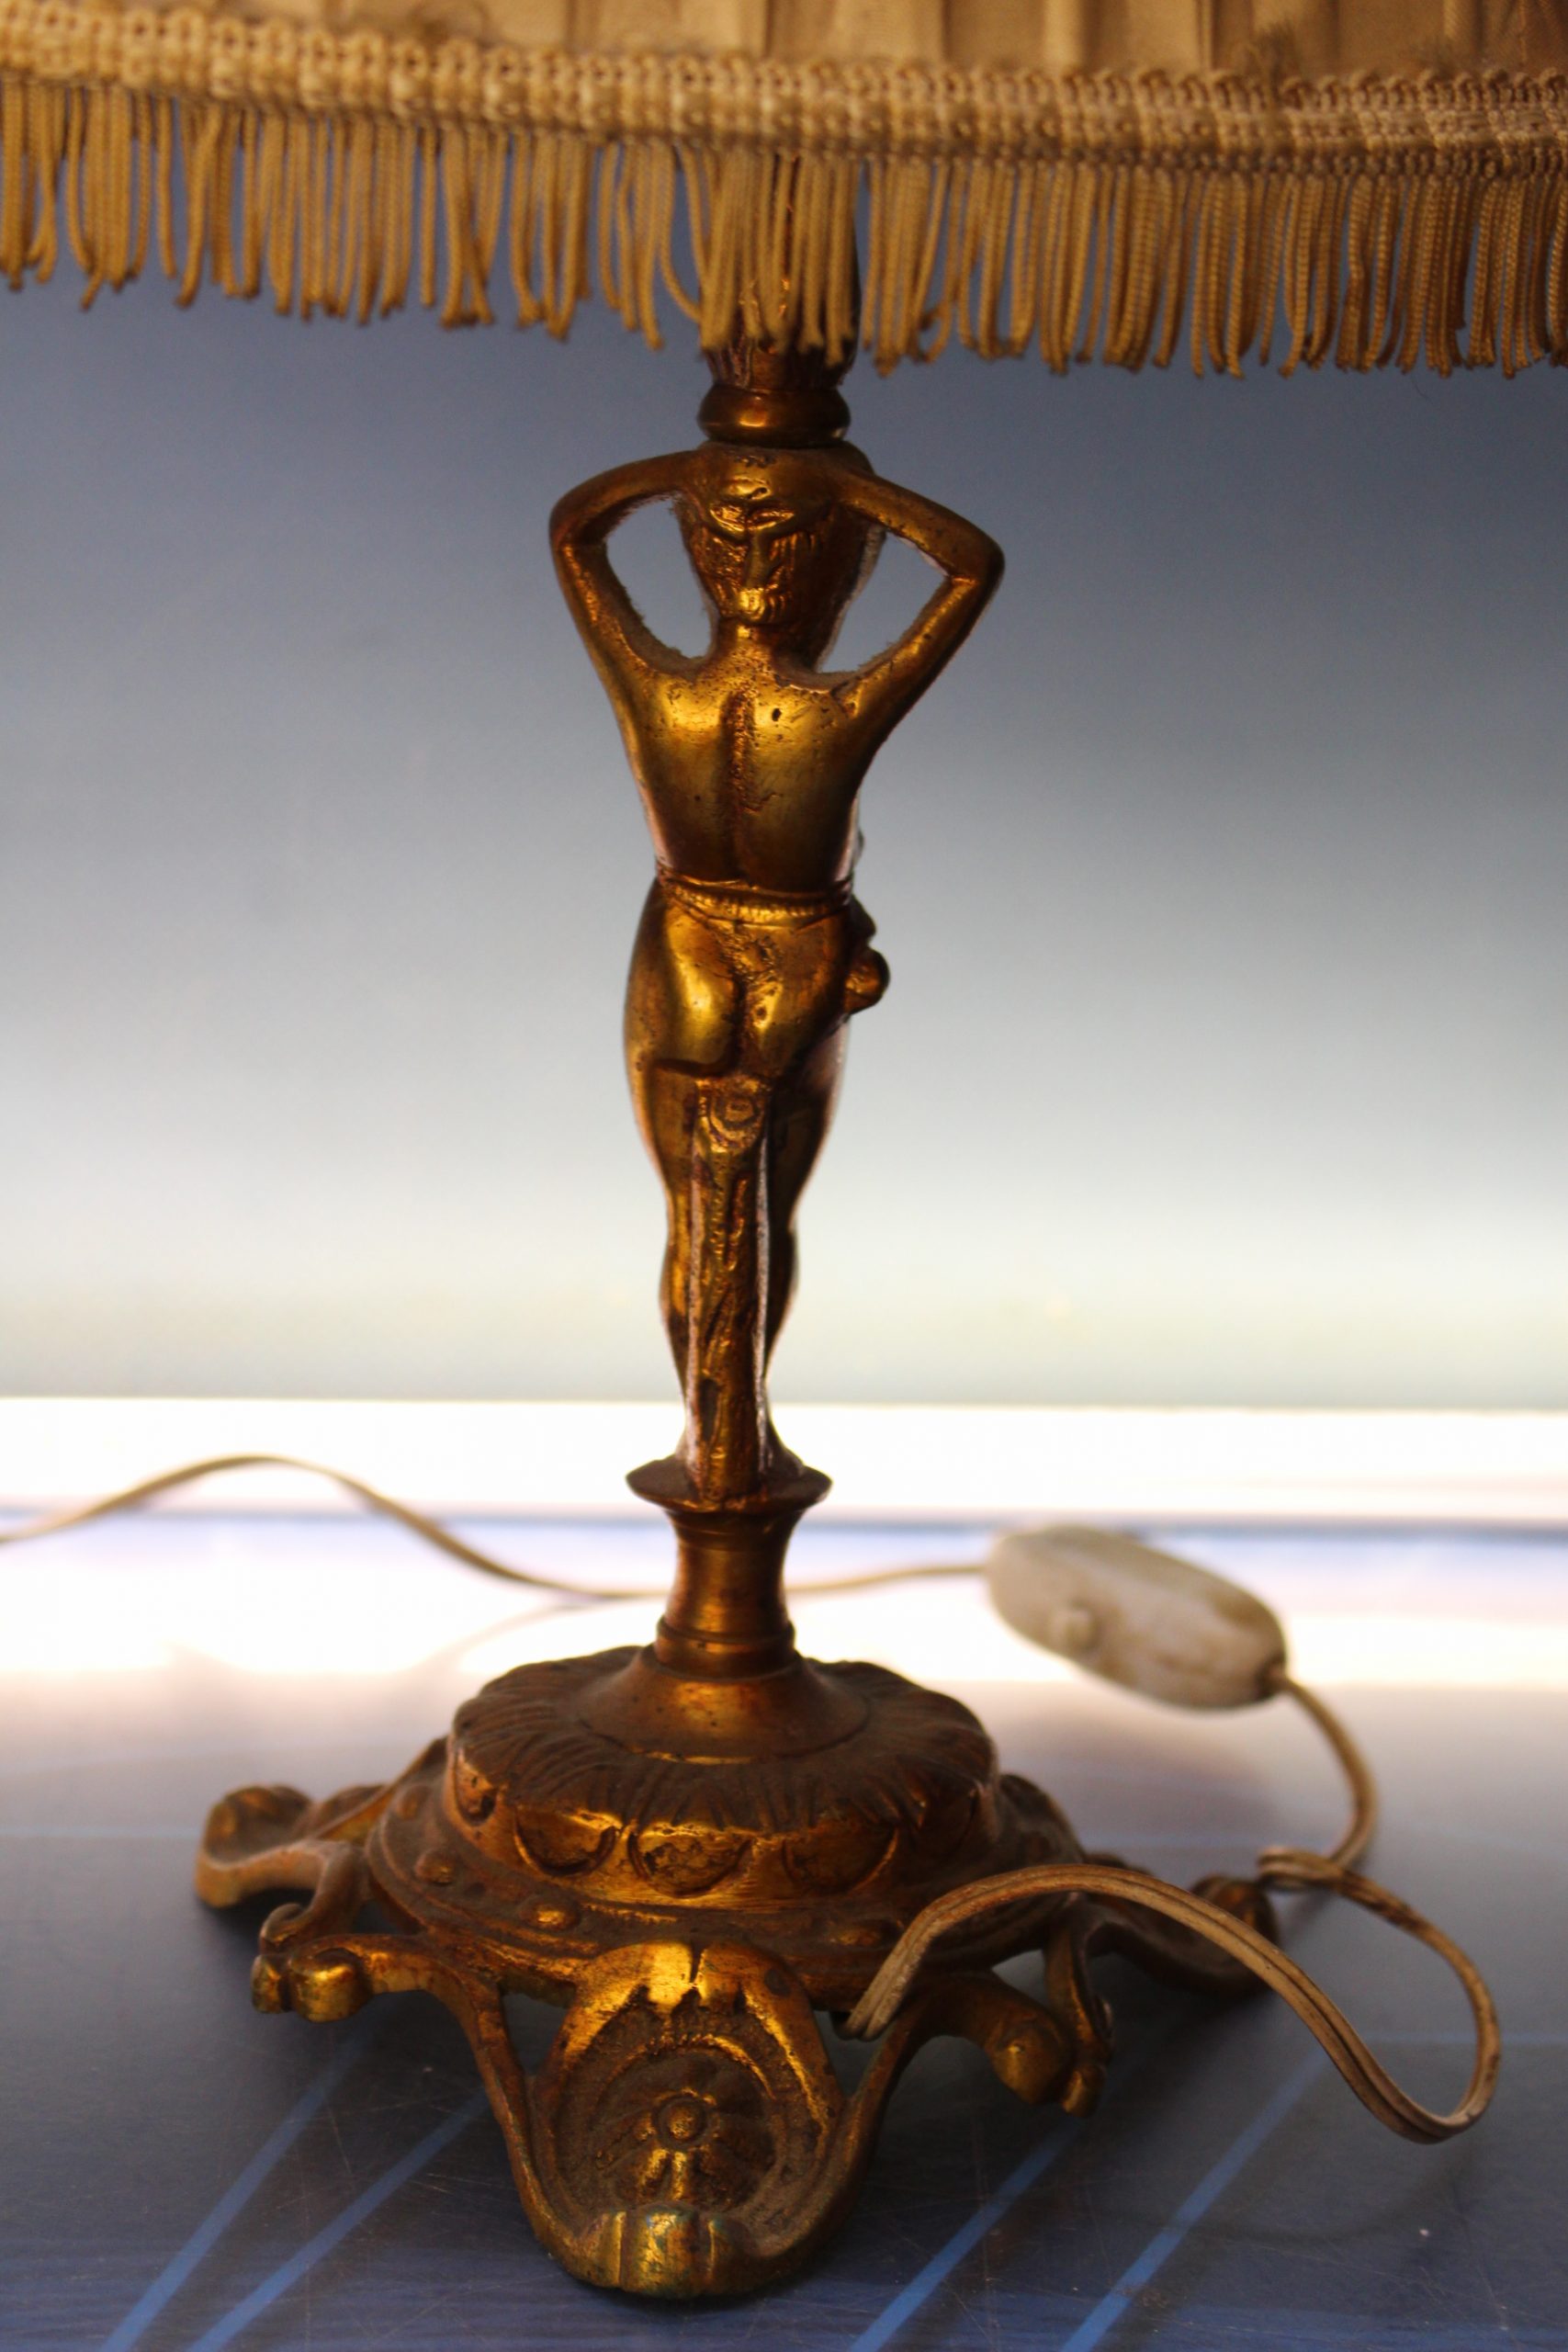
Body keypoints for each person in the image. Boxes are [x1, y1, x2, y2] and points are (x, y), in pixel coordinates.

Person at [551, 421, 1002, 1498]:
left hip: (684, 943)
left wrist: (705, 478)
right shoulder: (835, 709)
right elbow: (970, 565)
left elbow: (576, 531)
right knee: (763, 1214)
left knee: (693, 1218)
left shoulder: (661, 690)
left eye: (772, 535)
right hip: (795, 949)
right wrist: (821, 491)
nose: (754, 548)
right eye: (740, 531)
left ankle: (711, 1444)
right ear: (841, 564)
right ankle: (735, 1439)